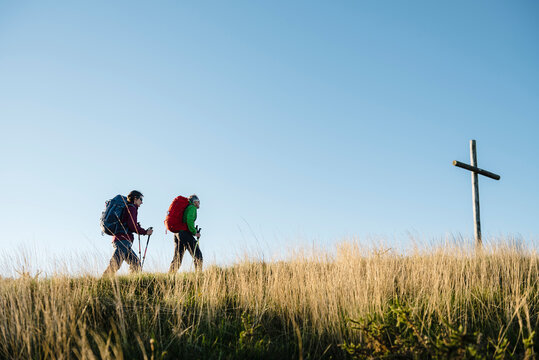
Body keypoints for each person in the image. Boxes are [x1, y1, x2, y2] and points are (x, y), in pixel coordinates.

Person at [103, 190, 153, 275]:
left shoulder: (128, 207)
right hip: (123, 240)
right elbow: (132, 226)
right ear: (135, 198)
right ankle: (102, 283)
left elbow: (128, 224)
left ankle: (132, 285)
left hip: (121, 240)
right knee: (115, 264)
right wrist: (145, 232)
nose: (142, 202)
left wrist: (137, 227)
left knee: (136, 264)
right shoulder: (132, 208)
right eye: (141, 199)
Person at [169, 194, 203, 273]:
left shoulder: (187, 208)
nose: (199, 204)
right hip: (184, 234)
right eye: (198, 202)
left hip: (177, 233)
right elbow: (189, 220)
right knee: (198, 255)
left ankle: (170, 276)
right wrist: (195, 232)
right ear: (194, 202)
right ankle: (198, 277)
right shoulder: (192, 208)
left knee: (177, 257)